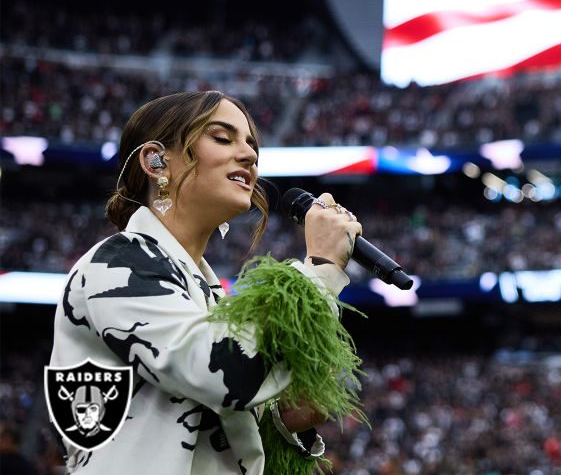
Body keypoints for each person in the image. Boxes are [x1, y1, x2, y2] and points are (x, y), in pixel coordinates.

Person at [48, 91, 364, 474]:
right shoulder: (117, 264)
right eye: (222, 137)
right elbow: (224, 373)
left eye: (251, 144)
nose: (249, 155)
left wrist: (279, 418)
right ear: (156, 160)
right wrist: (322, 267)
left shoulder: (206, 294)